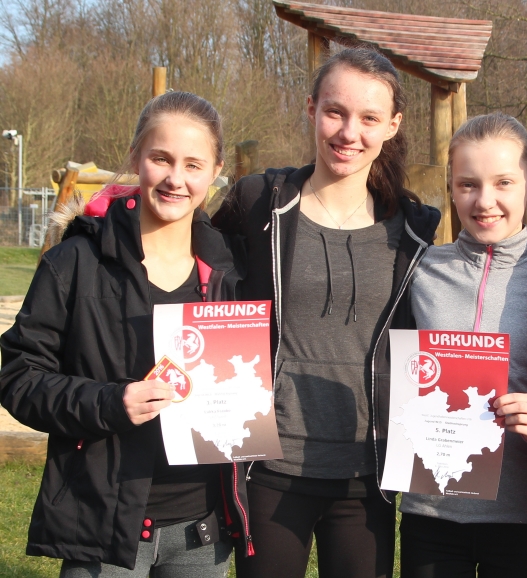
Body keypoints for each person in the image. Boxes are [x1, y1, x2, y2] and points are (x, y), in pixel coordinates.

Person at [211, 45, 440, 578]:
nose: (348, 132)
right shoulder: (258, 205)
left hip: (367, 473)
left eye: (369, 118)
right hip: (270, 465)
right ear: (311, 108)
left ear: (392, 125)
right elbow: (188, 266)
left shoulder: (415, 229)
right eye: (335, 112)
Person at [0, 91, 250, 576]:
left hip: (202, 532)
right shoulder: (74, 262)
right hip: (103, 525)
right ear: (137, 156)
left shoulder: (231, 272)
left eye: (193, 164)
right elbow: (18, 377)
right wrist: (111, 403)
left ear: (215, 170)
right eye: (161, 158)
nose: (176, 178)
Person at [399, 113, 527, 578]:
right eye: (468, 184)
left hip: (519, 514)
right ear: (450, 187)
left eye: (503, 182)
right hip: (430, 512)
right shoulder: (419, 270)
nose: (485, 201)